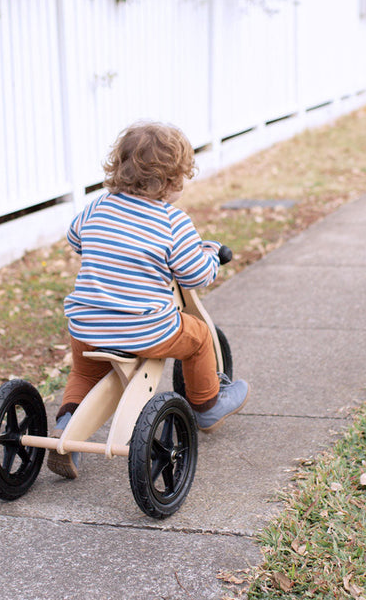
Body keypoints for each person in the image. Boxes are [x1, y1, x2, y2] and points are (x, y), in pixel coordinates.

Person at [48, 120, 249, 479]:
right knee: (199, 336)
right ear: (172, 181)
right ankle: (207, 404)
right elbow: (195, 275)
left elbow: (75, 238)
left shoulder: (98, 207)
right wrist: (211, 257)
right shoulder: (173, 222)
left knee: (83, 372)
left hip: (88, 324)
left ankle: (66, 427)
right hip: (145, 328)